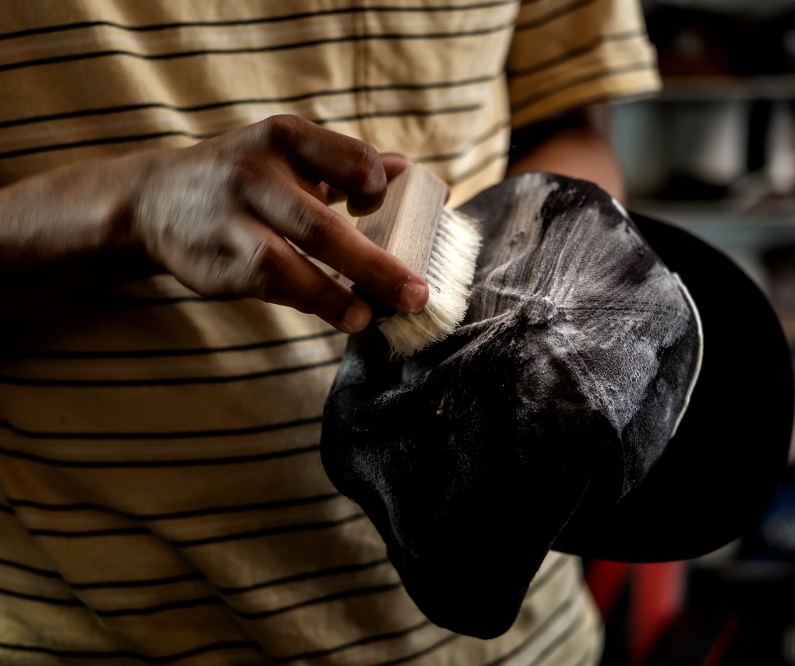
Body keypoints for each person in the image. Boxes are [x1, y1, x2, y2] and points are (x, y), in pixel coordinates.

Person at [0, 1, 660, 662]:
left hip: (526, 641)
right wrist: (130, 205)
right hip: (109, 632)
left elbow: (577, 126)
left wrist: (542, 286)